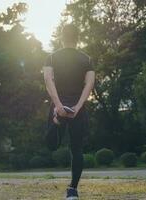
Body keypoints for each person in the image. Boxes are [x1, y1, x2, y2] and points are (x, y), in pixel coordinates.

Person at [43, 24, 95, 200]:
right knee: (77, 148)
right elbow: (89, 84)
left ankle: (57, 121)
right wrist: (78, 107)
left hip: (59, 106)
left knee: (52, 145)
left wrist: (58, 106)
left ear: (61, 37)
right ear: (78, 38)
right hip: (76, 108)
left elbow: (48, 80)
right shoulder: (87, 59)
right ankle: (72, 189)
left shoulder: (51, 58)